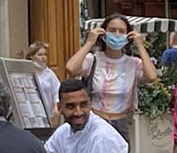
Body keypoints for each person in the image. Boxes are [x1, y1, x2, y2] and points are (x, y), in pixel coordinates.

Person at [65, 13, 158, 142]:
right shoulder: (93, 60)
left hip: (120, 124)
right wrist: (89, 42)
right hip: (95, 122)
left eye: (122, 31)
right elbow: (71, 68)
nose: (117, 34)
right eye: (112, 30)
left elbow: (152, 77)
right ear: (104, 33)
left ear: (128, 35)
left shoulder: (133, 63)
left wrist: (140, 46)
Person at [24, 41, 60, 121]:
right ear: (32, 56)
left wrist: (55, 108)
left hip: (47, 115)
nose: (43, 57)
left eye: (45, 55)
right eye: (40, 55)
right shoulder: (26, 73)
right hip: (31, 115)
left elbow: (56, 92)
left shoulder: (50, 74)